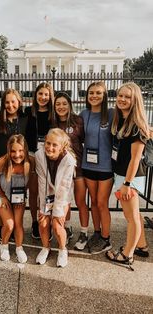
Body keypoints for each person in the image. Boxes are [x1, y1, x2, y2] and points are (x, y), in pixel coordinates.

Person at [106, 82, 150, 268]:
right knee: (134, 215)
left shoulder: (137, 126)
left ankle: (127, 254)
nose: (122, 99)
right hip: (121, 174)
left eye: (127, 97)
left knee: (131, 217)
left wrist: (127, 183)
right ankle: (141, 245)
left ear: (135, 100)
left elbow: (135, 159)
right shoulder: (121, 120)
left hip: (129, 177)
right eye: (120, 96)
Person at [80, 81, 114, 254]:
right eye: (91, 92)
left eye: (98, 93)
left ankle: (106, 239)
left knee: (102, 203)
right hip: (88, 165)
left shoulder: (111, 113)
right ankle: (97, 233)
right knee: (93, 202)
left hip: (106, 167)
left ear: (105, 95)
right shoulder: (83, 114)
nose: (94, 96)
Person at [35, 128, 76, 267]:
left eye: (54, 145)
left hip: (62, 196)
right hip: (46, 193)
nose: (50, 147)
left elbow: (64, 187)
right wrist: (43, 209)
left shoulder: (69, 160)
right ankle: (46, 247)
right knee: (43, 222)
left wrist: (57, 212)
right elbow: (42, 182)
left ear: (62, 146)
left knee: (57, 225)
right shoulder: (39, 155)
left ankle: (62, 249)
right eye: (48, 143)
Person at [0, 89, 28, 239]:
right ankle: (1, 227)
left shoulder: (25, 118)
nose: (10, 105)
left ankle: (12, 225)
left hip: (17, 160)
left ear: (19, 102)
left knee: (15, 193)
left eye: (13, 101)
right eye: (7, 102)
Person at [0, 134, 35, 263]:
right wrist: (3, 197)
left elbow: (30, 181)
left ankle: (19, 247)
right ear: (9, 151)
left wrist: (22, 196)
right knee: (10, 224)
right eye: (13, 151)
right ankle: (4, 245)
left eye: (20, 150)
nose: (17, 154)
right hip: (2, 196)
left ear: (25, 150)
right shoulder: (2, 162)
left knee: (18, 223)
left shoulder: (31, 162)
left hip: (19, 197)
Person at [53, 91, 88, 246]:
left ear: (69, 105)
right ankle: (66, 229)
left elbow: (85, 142)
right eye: (58, 104)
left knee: (80, 201)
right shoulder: (52, 122)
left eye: (64, 104)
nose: (61, 107)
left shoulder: (77, 121)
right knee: (65, 201)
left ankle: (84, 232)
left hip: (78, 167)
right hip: (62, 169)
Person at [25, 82, 54, 239]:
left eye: (46, 94)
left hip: (49, 156)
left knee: (48, 191)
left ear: (50, 97)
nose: (43, 97)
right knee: (34, 191)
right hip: (32, 155)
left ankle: (47, 221)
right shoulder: (29, 111)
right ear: (35, 95)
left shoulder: (53, 113)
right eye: (40, 94)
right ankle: (35, 221)